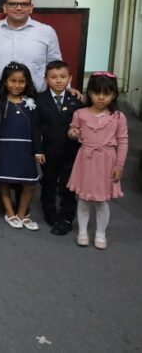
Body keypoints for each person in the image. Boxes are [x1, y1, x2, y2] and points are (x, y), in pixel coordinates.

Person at [67, 72, 128, 250]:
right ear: (89, 93)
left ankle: (101, 233)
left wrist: (119, 165)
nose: (101, 98)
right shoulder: (80, 113)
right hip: (85, 160)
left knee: (102, 201)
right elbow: (73, 132)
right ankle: (82, 232)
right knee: (83, 199)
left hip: (106, 161)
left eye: (106, 94)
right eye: (96, 93)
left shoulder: (118, 117)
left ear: (114, 95)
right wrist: (73, 133)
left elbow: (123, 141)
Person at [0, 62, 44, 231]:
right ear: (5, 82)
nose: (17, 85)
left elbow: (36, 129)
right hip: (4, 148)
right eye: (13, 81)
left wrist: (38, 151)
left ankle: (22, 214)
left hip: (25, 149)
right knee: (4, 181)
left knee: (30, 183)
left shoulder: (31, 103)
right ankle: (10, 212)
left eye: (21, 82)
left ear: (27, 83)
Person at [0, 0, 63, 92]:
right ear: (5, 8)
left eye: (24, 4)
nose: (19, 8)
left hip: (36, 96)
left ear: (31, 8)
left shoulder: (47, 32)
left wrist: (66, 90)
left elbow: (56, 67)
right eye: (13, 4)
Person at [36, 60, 84, 235]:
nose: (58, 80)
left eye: (63, 77)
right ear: (46, 79)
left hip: (71, 151)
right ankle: (50, 213)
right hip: (48, 151)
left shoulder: (76, 100)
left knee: (68, 185)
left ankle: (66, 217)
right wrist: (37, 150)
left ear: (70, 78)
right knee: (48, 182)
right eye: (53, 77)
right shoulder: (39, 100)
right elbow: (35, 128)